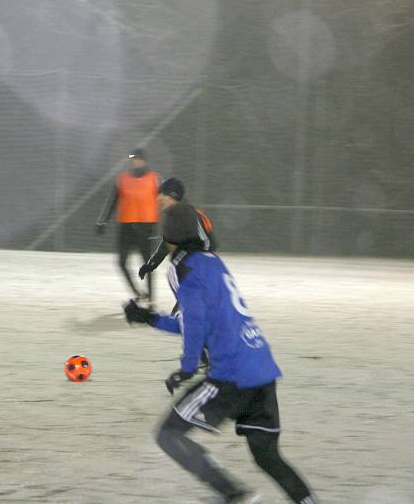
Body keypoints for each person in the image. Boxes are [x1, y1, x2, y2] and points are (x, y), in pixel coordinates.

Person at [123, 203, 317, 504]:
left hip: (231, 376)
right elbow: (197, 321)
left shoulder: (180, 268)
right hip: (261, 368)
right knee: (267, 456)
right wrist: (149, 318)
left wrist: (187, 368)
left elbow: (195, 323)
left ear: (168, 235)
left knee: (169, 434)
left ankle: (233, 493)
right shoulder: (212, 261)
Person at [95, 148, 161, 301]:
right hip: (126, 227)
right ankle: (138, 293)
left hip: (147, 227)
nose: (135, 161)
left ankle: (151, 297)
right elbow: (112, 201)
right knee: (121, 262)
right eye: (133, 158)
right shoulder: (122, 179)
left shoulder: (155, 178)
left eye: (138, 158)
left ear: (144, 160)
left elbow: (165, 199)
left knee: (148, 264)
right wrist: (103, 220)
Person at [137, 177, 216, 282]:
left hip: (201, 271)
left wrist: (197, 265)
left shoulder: (189, 214)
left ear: (172, 197)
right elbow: (166, 244)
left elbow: (209, 243)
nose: (158, 199)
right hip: (189, 272)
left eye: (162, 194)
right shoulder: (172, 217)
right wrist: (151, 265)